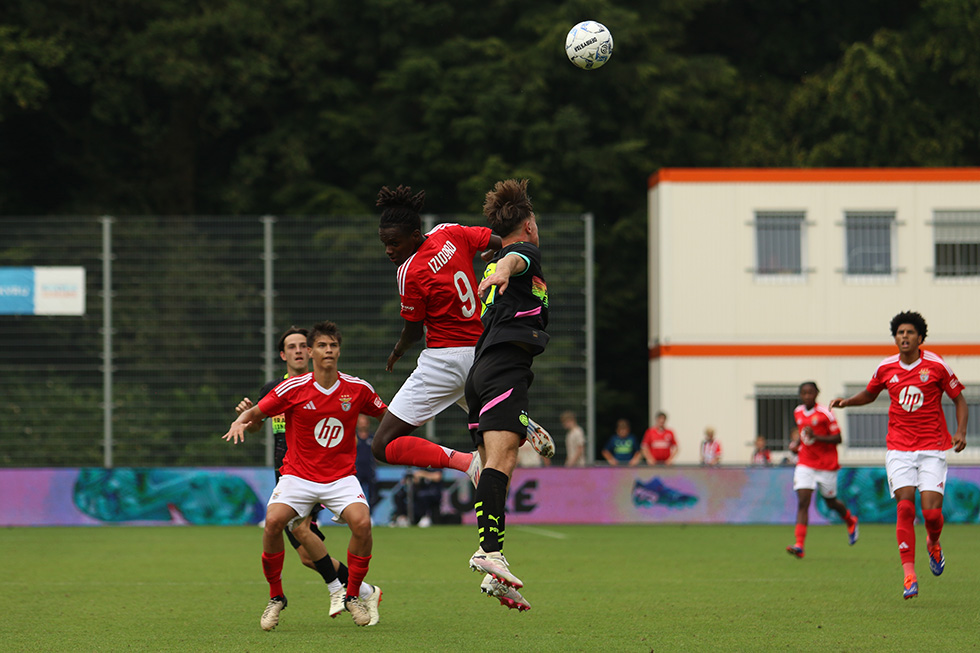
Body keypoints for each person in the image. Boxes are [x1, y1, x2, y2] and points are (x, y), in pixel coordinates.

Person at [372, 185, 555, 487]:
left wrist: (397, 351)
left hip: (443, 361)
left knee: (382, 444)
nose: (389, 250)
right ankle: (523, 421)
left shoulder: (409, 271)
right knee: (478, 405)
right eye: (385, 244)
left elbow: (414, 331)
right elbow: (500, 240)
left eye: (394, 243)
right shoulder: (448, 232)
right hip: (483, 355)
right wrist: (500, 254)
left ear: (415, 236)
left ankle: (466, 462)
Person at [223, 321, 385, 629]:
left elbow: (389, 415)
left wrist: (412, 424)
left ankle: (351, 594)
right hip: (297, 475)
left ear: (339, 350)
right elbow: (256, 414)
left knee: (362, 524)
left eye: (333, 346)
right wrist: (239, 422)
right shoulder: (288, 388)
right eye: (322, 346)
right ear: (311, 352)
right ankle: (277, 598)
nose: (328, 351)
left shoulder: (357, 388)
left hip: (340, 477)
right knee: (273, 523)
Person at [830, 311, 968, 600]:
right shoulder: (885, 368)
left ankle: (933, 541)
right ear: (895, 338)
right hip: (899, 449)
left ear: (920, 337)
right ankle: (909, 575)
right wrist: (847, 402)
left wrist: (961, 432)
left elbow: (959, 399)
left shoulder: (936, 365)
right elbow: (870, 394)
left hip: (932, 448)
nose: (904, 337)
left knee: (931, 513)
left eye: (909, 332)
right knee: (905, 508)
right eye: (899, 333)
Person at [464, 178, 548, 613]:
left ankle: (493, 567)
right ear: (529, 224)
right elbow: (517, 259)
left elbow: (506, 266)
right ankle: (489, 553)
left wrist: (495, 268)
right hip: (503, 368)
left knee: (494, 461)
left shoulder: (494, 264)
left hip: (482, 373)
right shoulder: (523, 252)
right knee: (503, 460)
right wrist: (503, 266)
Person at [234, 327, 349, 585]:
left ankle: (354, 591)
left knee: (303, 534)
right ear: (282, 355)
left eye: (301, 346)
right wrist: (247, 419)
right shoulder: (273, 389)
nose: (297, 351)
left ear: (310, 352)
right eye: (291, 347)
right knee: (308, 556)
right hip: (285, 476)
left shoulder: (324, 386)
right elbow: (256, 426)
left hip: (314, 472)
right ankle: (362, 590)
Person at [785, 381, 859, 559]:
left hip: (826, 465)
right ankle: (799, 545)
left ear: (817, 394)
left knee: (830, 502)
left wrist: (816, 437)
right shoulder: (798, 412)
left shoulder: (826, 413)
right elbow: (804, 435)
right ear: (800, 395)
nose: (807, 396)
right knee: (803, 502)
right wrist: (797, 444)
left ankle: (850, 520)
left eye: (811, 393)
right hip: (805, 463)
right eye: (804, 393)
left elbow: (838, 438)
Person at [355, 414, 378, 513]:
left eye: (364, 423)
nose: (363, 425)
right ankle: (357, 515)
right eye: (361, 423)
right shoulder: (353, 438)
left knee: (373, 495)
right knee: (356, 495)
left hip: (370, 470)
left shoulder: (373, 438)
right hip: (356, 470)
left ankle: (370, 515)